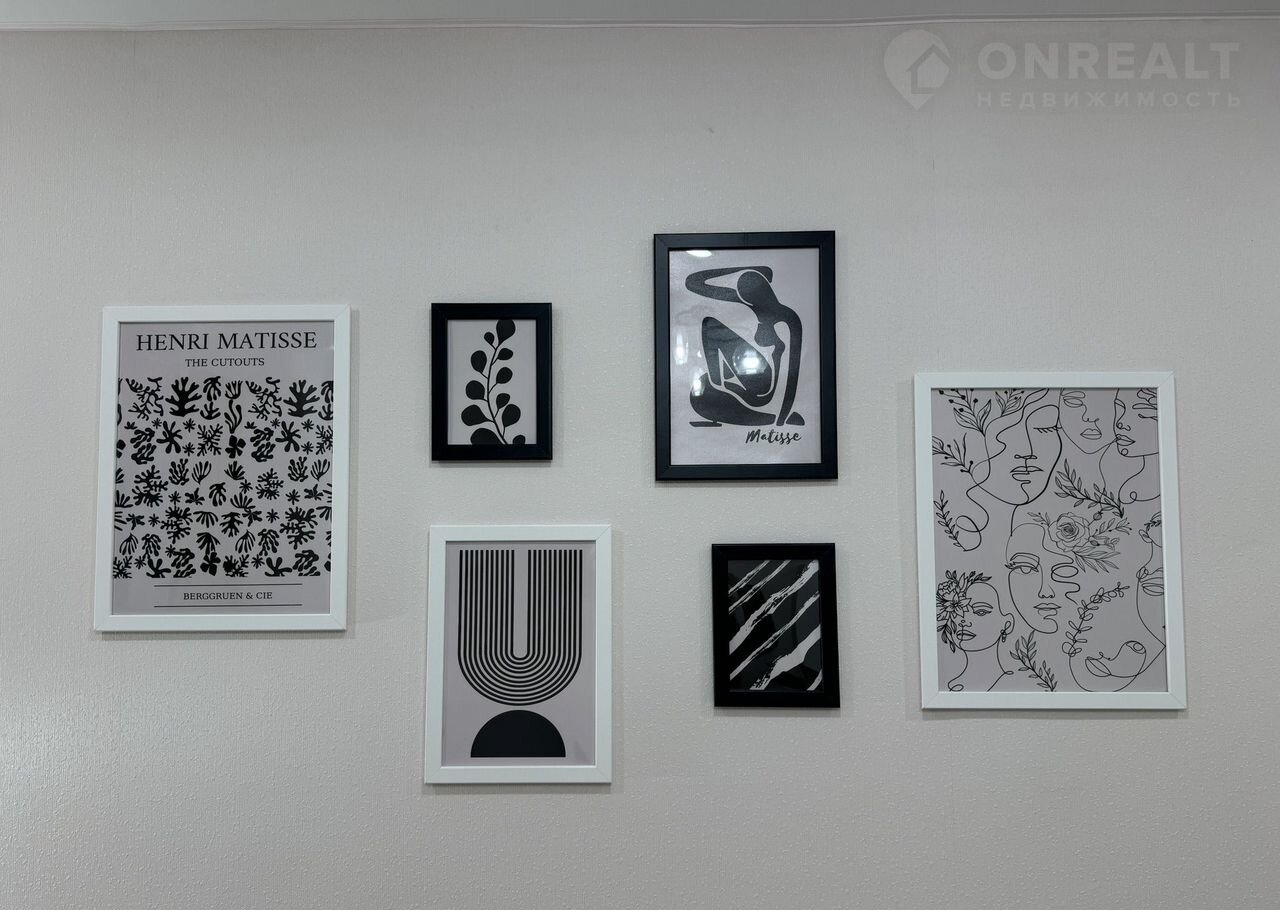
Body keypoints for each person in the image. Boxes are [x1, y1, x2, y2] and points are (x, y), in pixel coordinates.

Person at [685, 266, 805, 428]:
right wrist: (753, 269)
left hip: (765, 396)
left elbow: (791, 374)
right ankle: (719, 386)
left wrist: (780, 418)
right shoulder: (758, 307)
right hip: (756, 387)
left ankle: (719, 387)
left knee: (711, 326)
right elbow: (694, 283)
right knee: (710, 324)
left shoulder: (786, 321)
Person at [938, 573, 1014, 692]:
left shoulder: (1012, 685)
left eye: (980, 612)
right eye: (957, 611)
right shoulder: (947, 688)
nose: (964, 621)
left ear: (1007, 624)